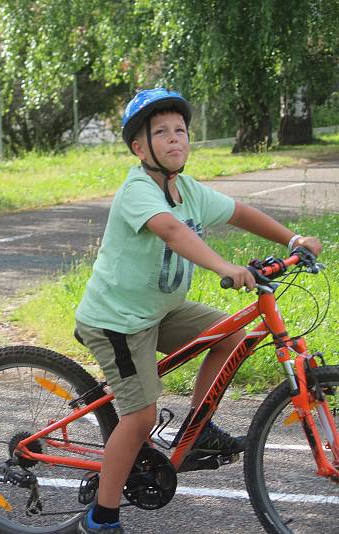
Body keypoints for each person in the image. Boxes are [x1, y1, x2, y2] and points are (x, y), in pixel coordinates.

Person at [71, 88, 322, 533]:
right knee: (141, 416)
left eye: (181, 131)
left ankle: (197, 428)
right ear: (139, 147)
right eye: (161, 132)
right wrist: (226, 266)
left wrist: (292, 240)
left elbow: (240, 212)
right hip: (118, 321)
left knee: (231, 333)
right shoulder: (137, 190)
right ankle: (101, 517)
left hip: (160, 310)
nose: (174, 139)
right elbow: (170, 232)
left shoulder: (187, 189)